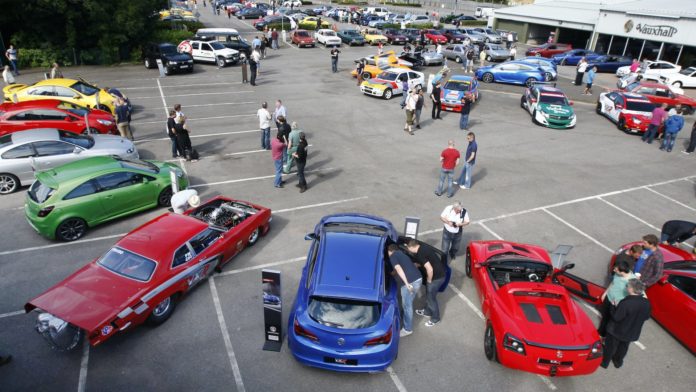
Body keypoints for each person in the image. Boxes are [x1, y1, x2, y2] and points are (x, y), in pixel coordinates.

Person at [601, 279, 651, 369]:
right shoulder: (646, 303)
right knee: (623, 348)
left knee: (610, 347)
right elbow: (646, 317)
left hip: (617, 331)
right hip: (632, 332)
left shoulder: (626, 303)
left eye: (627, 286)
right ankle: (618, 362)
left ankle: (605, 363)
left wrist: (613, 306)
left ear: (631, 289)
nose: (626, 287)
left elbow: (616, 317)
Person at [387, 244, 423, 337]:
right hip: (418, 278)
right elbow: (399, 267)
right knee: (407, 302)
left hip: (410, 283)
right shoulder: (402, 254)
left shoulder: (393, 256)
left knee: (407, 306)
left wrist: (407, 283)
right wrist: (392, 273)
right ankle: (404, 317)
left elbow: (399, 269)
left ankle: (407, 329)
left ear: (390, 251)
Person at [408, 239, 446, 327]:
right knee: (429, 295)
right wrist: (419, 265)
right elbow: (429, 260)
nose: (409, 251)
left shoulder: (420, 254)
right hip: (440, 274)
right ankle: (428, 311)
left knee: (431, 299)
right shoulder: (424, 247)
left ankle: (435, 318)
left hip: (436, 278)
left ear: (412, 247)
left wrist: (429, 280)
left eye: (409, 249)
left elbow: (430, 269)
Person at [597, 260, 637, 337]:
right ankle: (600, 332)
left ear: (622, 271)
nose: (614, 270)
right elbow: (612, 283)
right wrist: (605, 293)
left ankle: (605, 336)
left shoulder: (632, 281)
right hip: (608, 298)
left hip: (616, 304)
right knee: (604, 316)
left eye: (616, 269)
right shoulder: (617, 274)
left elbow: (635, 295)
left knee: (611, 321)